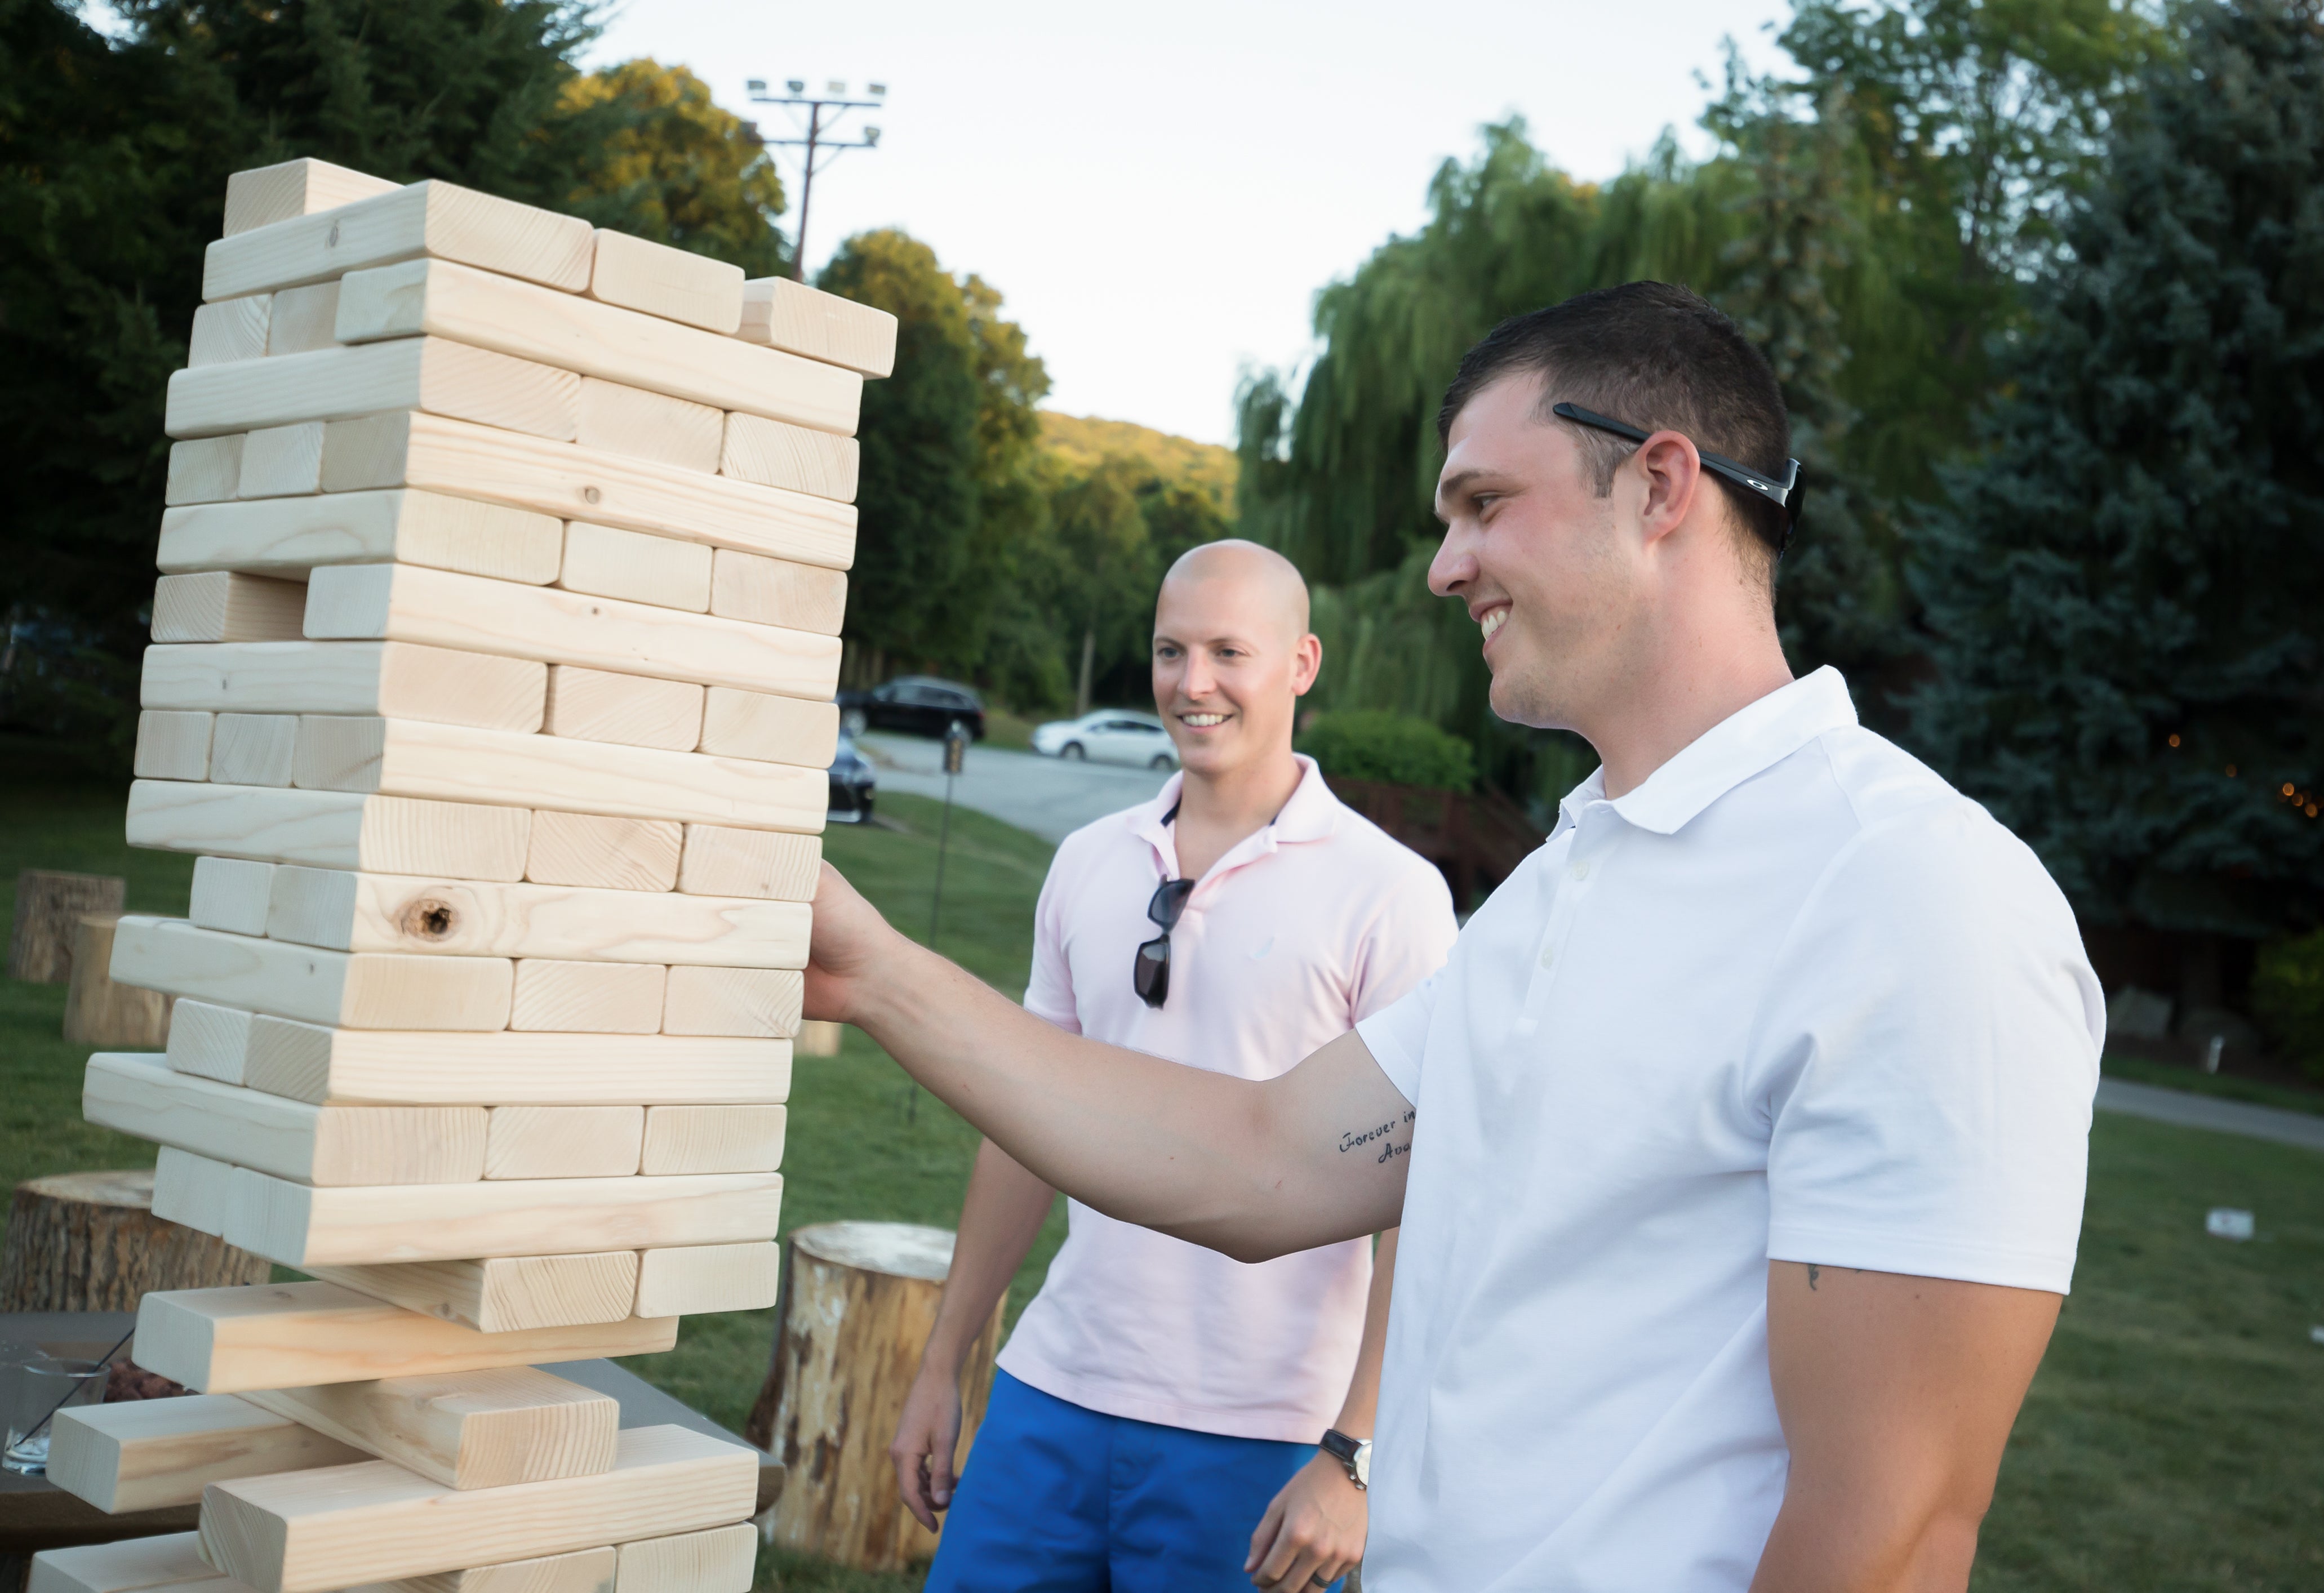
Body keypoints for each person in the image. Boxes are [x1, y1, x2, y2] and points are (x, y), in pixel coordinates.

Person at [812, 284, 2103, 1591]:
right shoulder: (1560, 886)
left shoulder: (1916, 899)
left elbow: (1890, 1534)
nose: (1443, 566)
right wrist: (874, 971)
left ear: (1660, 485)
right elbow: (1262, 1162)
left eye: (1486, 504)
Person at [895, 540, 1457, 1593]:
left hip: (1267, 1431)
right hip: (1053, 1389)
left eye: (1227, 652)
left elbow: (1421, 1197)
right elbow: (1022, 1123)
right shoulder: (1089, 861)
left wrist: (1357, 1452)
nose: (1191, 683)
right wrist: (945, 1359)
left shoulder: (1391, 894)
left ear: (1301, 663)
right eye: (1169, 650)